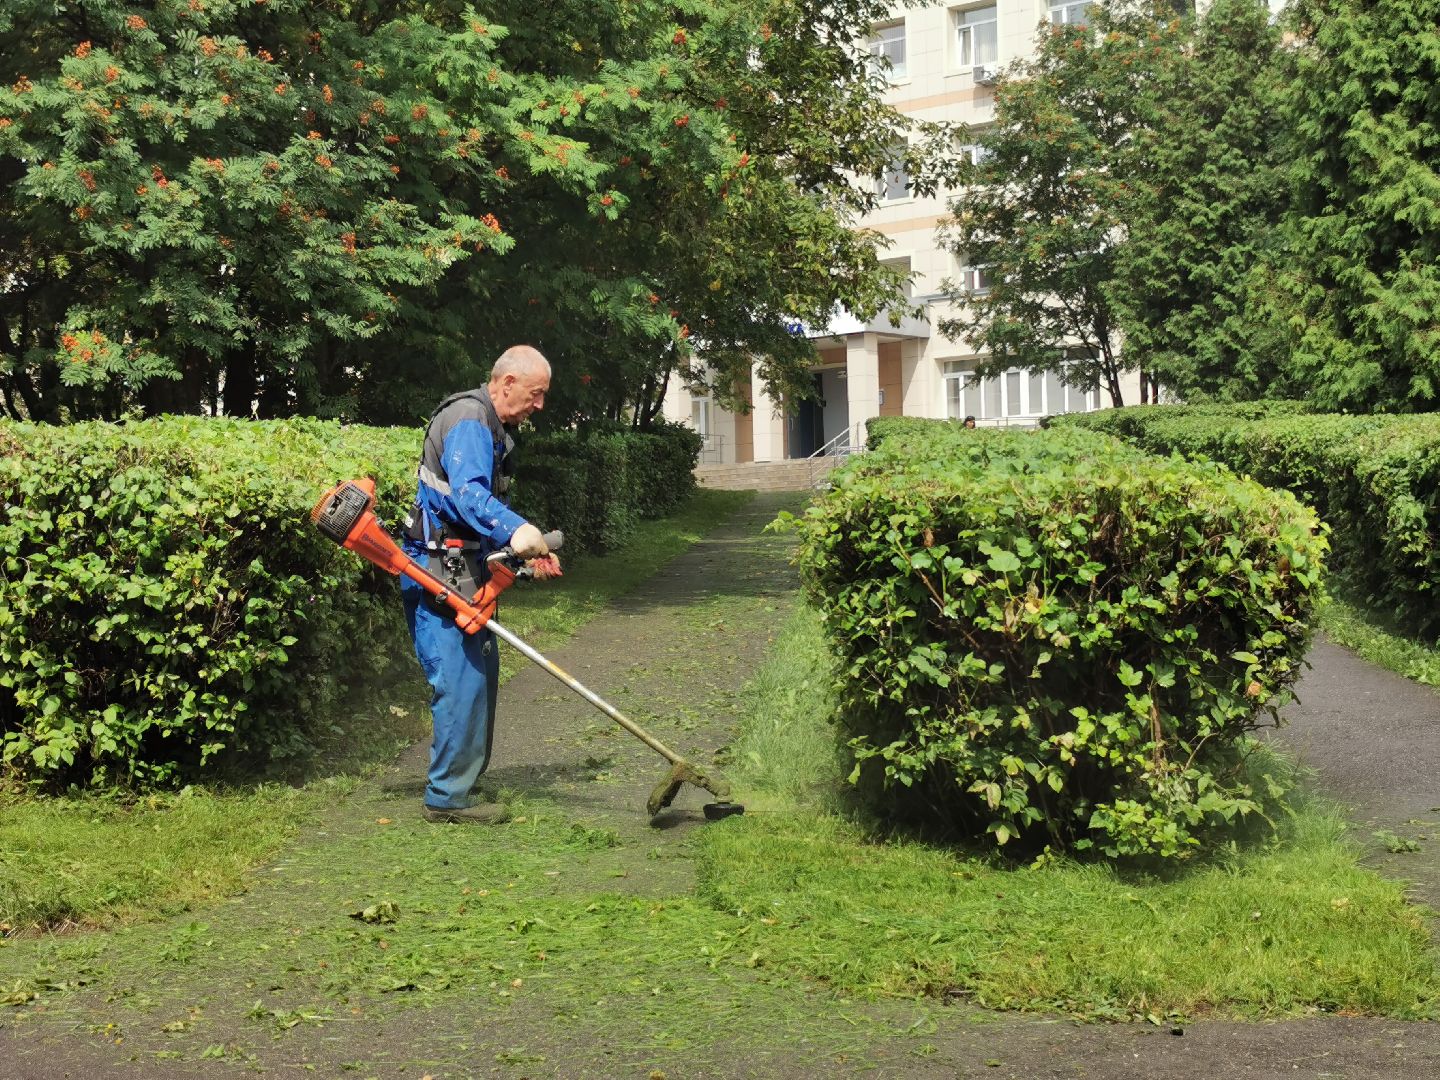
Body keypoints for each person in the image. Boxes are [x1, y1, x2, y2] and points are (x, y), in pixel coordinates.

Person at [400, 345, 553, 824]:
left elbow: (471, 512)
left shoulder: (493, 425)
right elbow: (468, 496)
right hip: (438, 573)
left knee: (480, 678)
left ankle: (464, 781)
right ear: (507, 383)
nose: (540, 405)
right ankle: (446, 798)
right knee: (461, 683)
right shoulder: (469, 418)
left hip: (466, 569)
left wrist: (530, 552)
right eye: (535, 394)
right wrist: (517, 529)